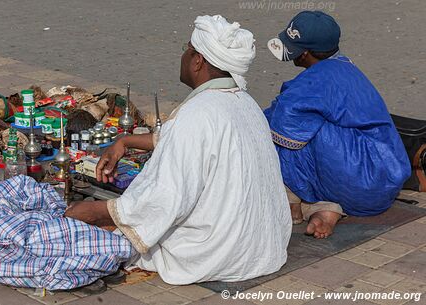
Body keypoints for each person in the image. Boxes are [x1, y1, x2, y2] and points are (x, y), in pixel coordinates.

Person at [65, 15, 291, 284]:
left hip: (222, 254)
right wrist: (123, 142)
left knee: (122, 230)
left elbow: (166, 198)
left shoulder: (198, 113)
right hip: (263, 248)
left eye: (187, 49)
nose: (183, 56)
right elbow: (179, 138)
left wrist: (99, 211)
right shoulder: (244, 102)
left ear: (198, 61)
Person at [264, 11, 411, 239]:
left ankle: (292, 201)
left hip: (361, 183)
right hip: (385, 184)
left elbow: (280, 123)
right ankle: (326, 208)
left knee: (278, 127)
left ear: (304, 54)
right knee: (299, 119)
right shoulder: (345, 66)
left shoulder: (315, 80)